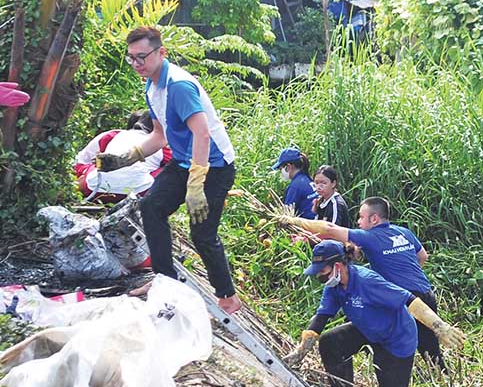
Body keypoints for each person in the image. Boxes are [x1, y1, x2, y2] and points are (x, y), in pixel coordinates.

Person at [95, 26, 241, 314]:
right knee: (151, 207)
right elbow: (159, 137)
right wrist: (126, 158)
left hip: (214, 166)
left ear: (161, 52)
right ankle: (164, 282)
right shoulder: (151, 85)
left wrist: (196, 185)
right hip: (184, 161)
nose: (137, 64)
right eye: (131, 59)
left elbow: (202, 135)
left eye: (142, 57)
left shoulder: (178, 86)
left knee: (202, 233)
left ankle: (228, 297)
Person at [284, 240, 465, 387]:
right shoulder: (333, 287)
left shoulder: (367, 281)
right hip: (368, 329)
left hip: (397, 339)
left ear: (338, 266)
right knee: (330, 342)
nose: (319, 276)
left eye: (322, 271)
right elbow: (321, 318)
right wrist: (301, 351)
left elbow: (409, 300)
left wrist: (439, 327)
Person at [280, 197, 447, 370]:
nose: (358, 222)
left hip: (405, 300)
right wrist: (405, 275)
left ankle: (392, 376)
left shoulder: (369, 237)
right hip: (426, 294)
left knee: (380, 336)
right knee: (431, 350)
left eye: (361, 217)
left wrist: (294, 221)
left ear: (374, 219)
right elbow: (423, 257)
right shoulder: (404, 232)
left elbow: (330, 229)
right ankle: (441, 378)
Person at [73, 111, 172, 202]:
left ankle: (76, 188)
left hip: (92, 189)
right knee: (170, 169)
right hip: (139, 193)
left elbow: (79, 163)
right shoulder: (160, 146)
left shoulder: (111, 136)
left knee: (93, 165)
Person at [272, 147, 316, 219]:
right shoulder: (307, 178)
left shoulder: (295, 186)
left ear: (288, 167)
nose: (281, 172)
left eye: (281, 169)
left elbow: (287, 214)